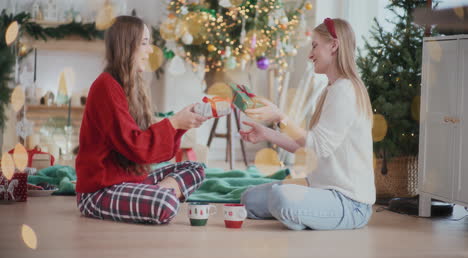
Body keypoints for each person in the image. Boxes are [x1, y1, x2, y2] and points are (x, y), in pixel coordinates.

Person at [240, 18, 375, 230]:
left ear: (333, 46)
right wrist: (267, 134)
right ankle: (307, 214)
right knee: (250, 198)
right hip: (322, 190)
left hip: (349, 202)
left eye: (314, 46)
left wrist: (280, 117)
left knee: (280, 198)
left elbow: (318, 147)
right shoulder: (331, 90)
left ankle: (305, 215)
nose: (310, 54)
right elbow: (310, 148)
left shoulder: (345, 91)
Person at [75, 16, 208, 224]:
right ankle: (149, 196)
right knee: (167, 204)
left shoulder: (133, 85)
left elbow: (152, 153)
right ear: (127, 46)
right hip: (98, 192)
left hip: (129, 179)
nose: (150, 50)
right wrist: (174, 123)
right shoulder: (106, 87)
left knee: (196, 169)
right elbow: (136, 145)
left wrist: (181, 125)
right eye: (144, 43)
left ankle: (144, 195)